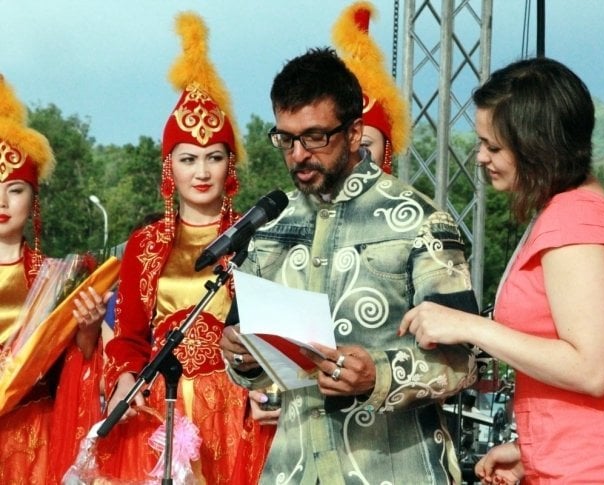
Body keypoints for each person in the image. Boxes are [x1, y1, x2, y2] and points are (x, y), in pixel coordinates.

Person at [399, 57, 604, 483]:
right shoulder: (589, 210)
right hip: (602, 461)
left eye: (493, 147)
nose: (480, 157)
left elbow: (590, 370)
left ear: (537, 146)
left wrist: (470, 327)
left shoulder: (575, 219)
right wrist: (535, 447)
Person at [219, 47, 476, 484]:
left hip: (397, 470)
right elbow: (254, 373)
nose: (298, 154)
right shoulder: (269, 229)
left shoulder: (419, 220)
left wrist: (379, 374)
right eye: (286, 138)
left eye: (315, 137)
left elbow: (464, 359)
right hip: (294, 469)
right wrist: (242, 356)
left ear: (355, 133)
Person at [98, 12, 273, 484]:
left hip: (239, 412)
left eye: (213, 157)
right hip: (160, 410)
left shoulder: (258, 238)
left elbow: (273, 336)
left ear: (229, 165)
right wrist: (123, 379)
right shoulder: (146, 243)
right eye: (188, 158)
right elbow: (130, 337)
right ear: (168, 166)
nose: (201, 171)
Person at [0, 73, 108, 483]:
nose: (2, 202)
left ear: (34, 197)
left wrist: (88, 329)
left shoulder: (54, 278)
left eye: (15, 189)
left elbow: (74, 366)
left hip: (35, 438)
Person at [331, 0, 410, 173]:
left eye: (365, 144)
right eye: (345, 143)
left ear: (386, 147)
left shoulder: (405, 200)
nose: (355, 154)